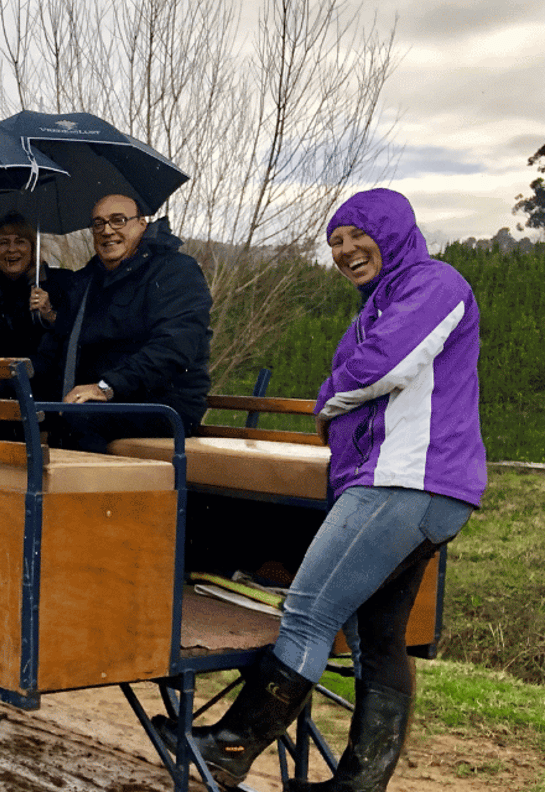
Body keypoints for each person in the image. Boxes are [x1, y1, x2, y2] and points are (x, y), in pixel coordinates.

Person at [157, 188, 487, 792]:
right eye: (335, 241)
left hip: (404, 482)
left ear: (392, 231)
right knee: (377, 633)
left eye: (358, 234)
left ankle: (229, 747)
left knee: (309, 613)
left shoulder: (435, 283)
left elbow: (386, 366)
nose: (345, 250)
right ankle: (358, 785)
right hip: (421, 485)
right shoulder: (381, 302)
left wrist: (326, 404)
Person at [32, 194, 211, 452]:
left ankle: (90, 493)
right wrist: (4, 382)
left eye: (118, 220)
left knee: (78, 420)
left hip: (163, 406)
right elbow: (55, 351)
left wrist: (108, 386)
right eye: (98, 223)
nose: (107, 231)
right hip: (98, 403)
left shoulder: (176, 271)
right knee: (16, 414)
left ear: (142, 224)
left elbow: (173, 348)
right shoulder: (84, 283)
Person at [0, 211, 80, 440]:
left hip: (42, 383)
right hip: (4, 382)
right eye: (3, 243)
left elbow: (66, 341)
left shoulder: (59, 283)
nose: (12, 249)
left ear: (33, 248)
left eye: (20, 241)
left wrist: (50, 314)